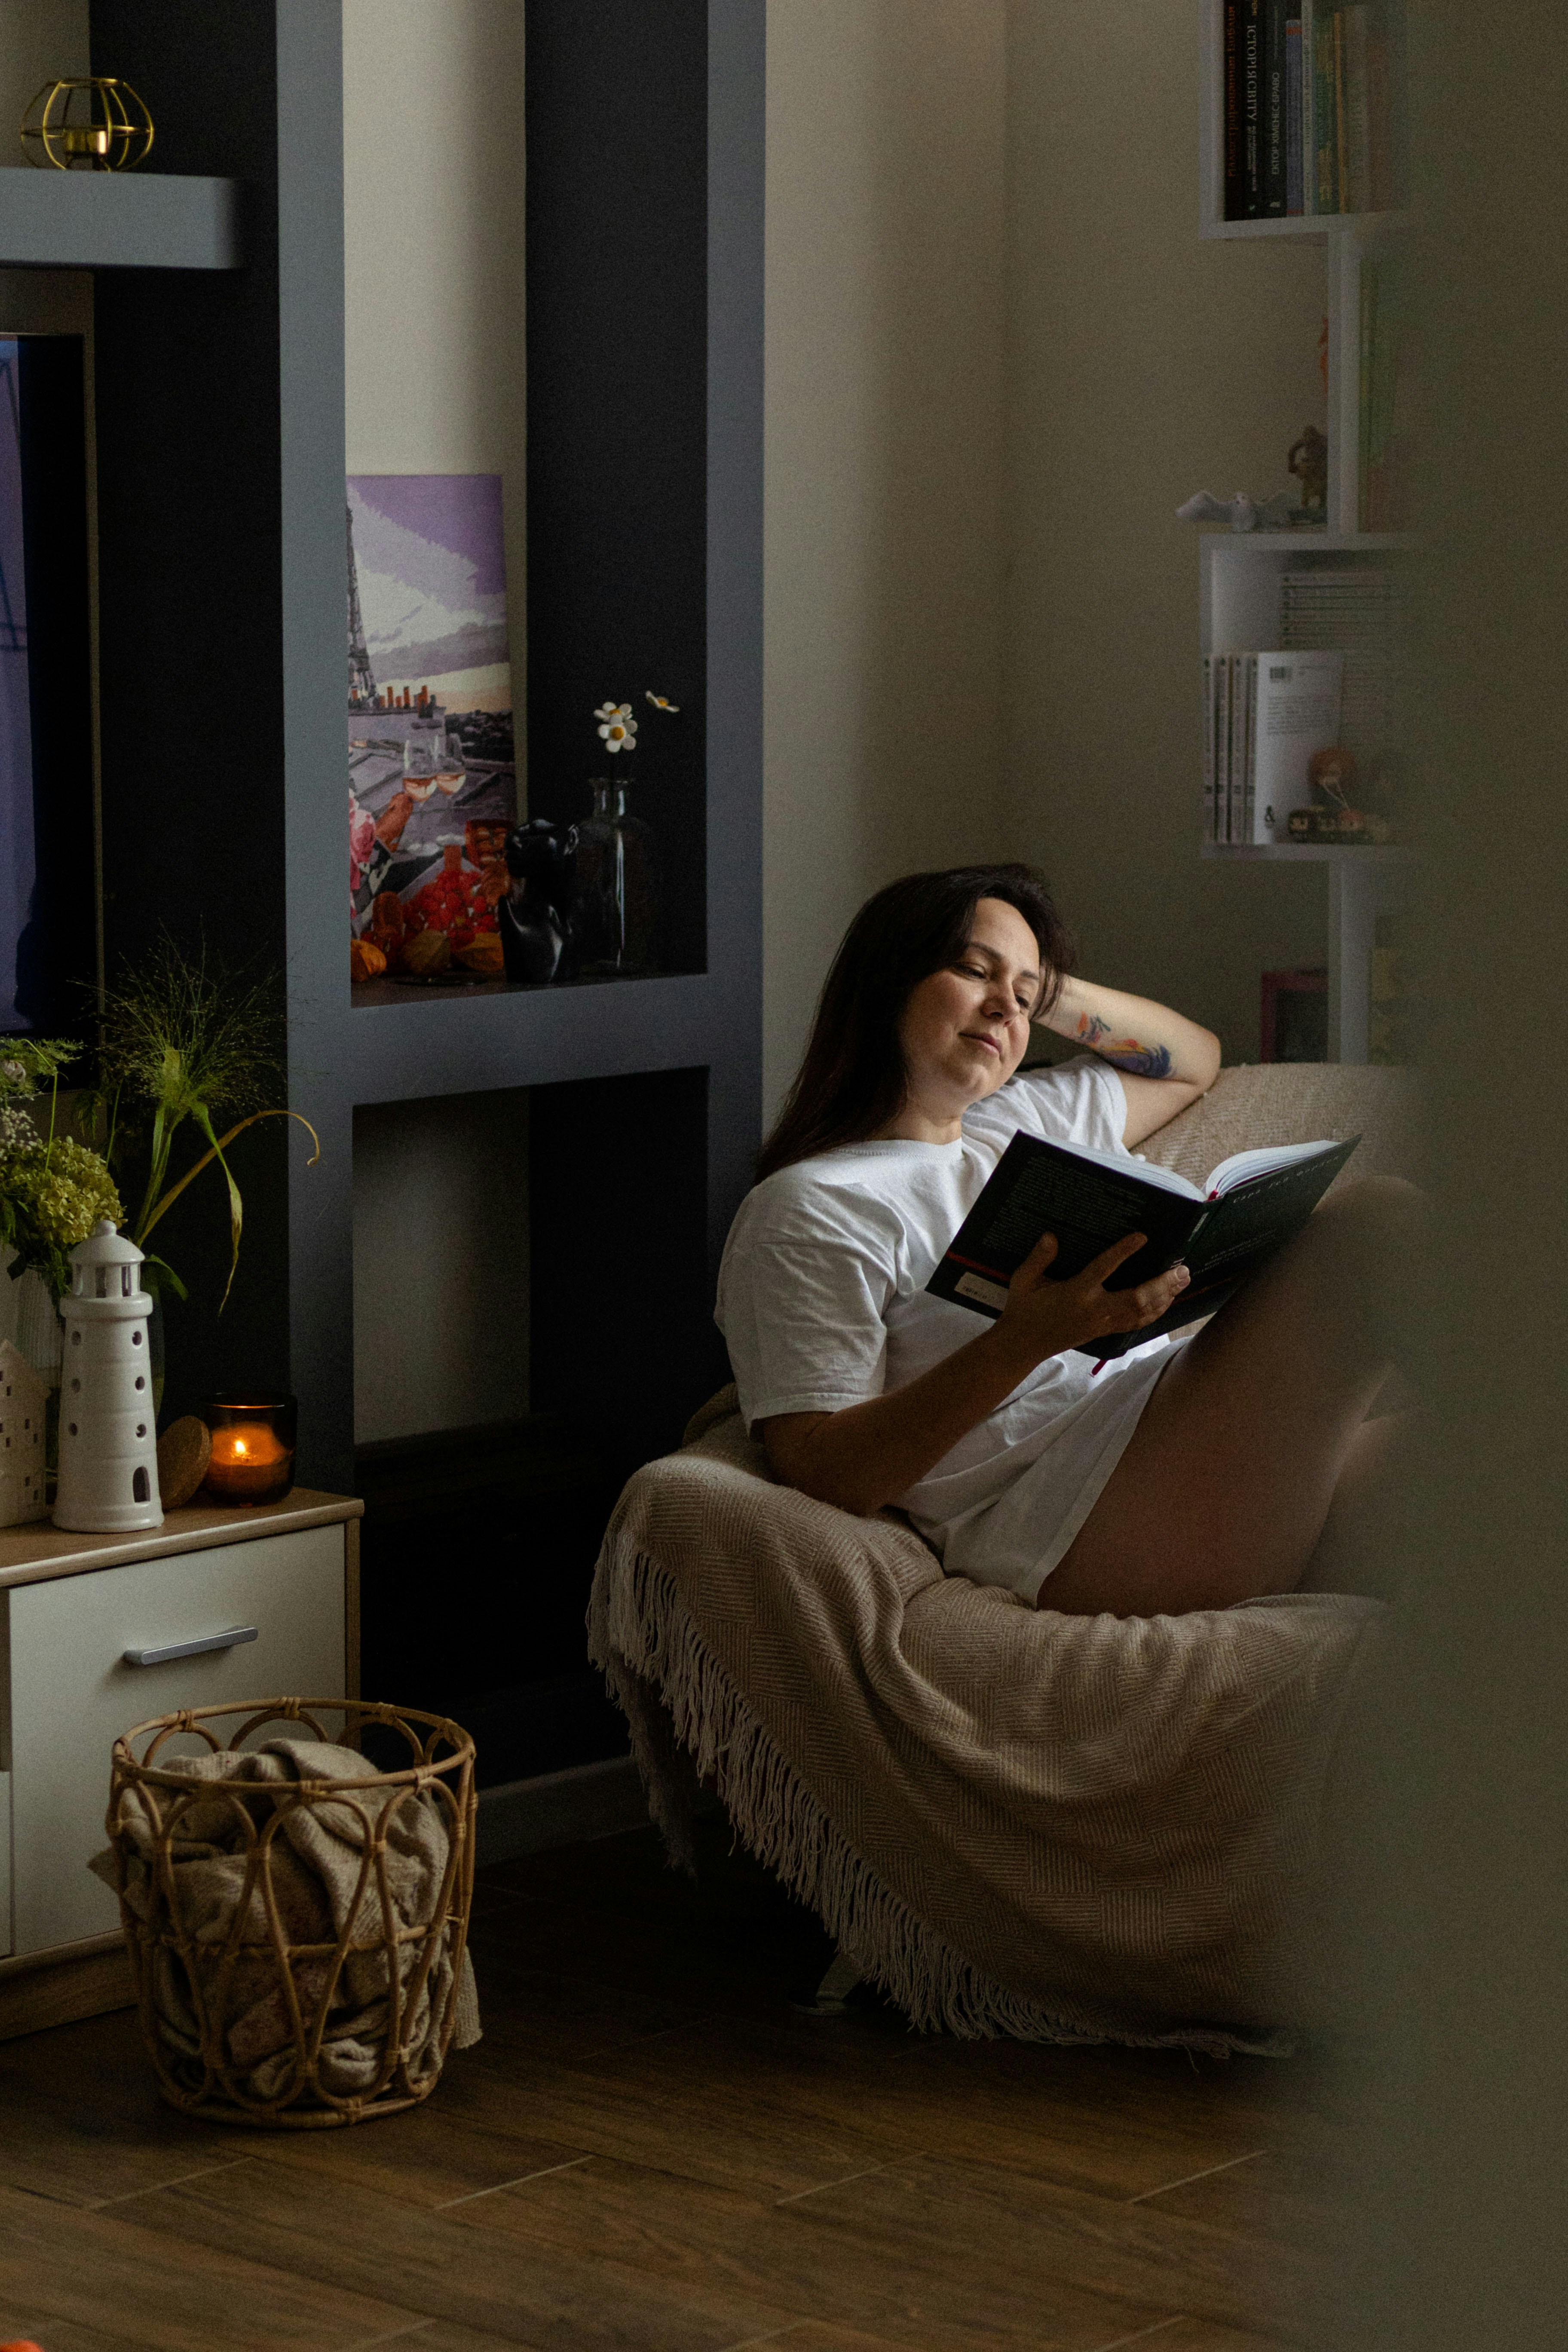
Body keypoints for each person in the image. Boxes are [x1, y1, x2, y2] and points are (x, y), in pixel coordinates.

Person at [717, 864, 1412, 1617]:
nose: (1002, 1007)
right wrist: (1021, 1343)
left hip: (1173, 1430)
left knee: (1502, 1469)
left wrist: (1044, 991)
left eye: (1022, 996)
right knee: (1378, 1228)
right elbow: (824, 1471)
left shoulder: (1022, 1124)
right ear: (888, 981)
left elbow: (1191, 1062)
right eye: (972, 971)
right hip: (1075, 1520)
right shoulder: (810, 1206)